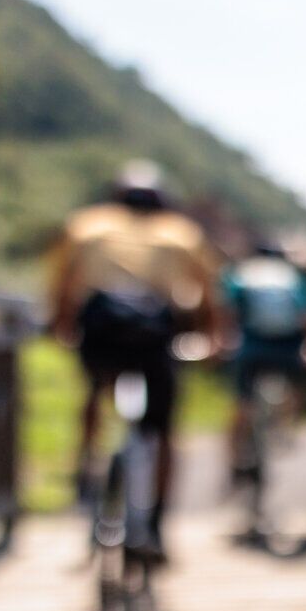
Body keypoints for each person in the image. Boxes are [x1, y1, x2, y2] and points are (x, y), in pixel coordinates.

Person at [48, 162, 224, 560]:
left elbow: (64, 285)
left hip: (101, 332)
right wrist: (213, 339)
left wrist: (61, 326)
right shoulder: (180, 233)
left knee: (95, 390)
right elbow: (208, 294)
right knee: (161, 429)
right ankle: (157, 522)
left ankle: (85, 465)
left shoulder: (87, 225)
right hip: (155, 338)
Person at [223, 239, 306, 482]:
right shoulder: (294, 278)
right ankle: (289, 425)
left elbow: (226, 310)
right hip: (289, 346)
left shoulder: (240, 275)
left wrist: (221, 342)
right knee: (298, 386)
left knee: (242, 402)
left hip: (251, 344)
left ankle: (233, 459)